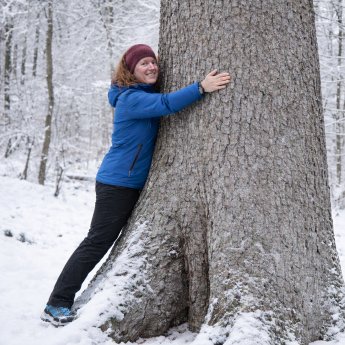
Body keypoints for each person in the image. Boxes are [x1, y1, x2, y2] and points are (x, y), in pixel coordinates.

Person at [41, 44, 231, 326]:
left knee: (105, 241)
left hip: (131, 183)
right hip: (117, 183)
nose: (151, 67)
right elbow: (167, 104)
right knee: (97, 242)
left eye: (153, 62)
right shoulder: (130, 99)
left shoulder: (140, 95)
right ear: (130, 71)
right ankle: (56, 303)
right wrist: (200, 87)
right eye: (143, 63)